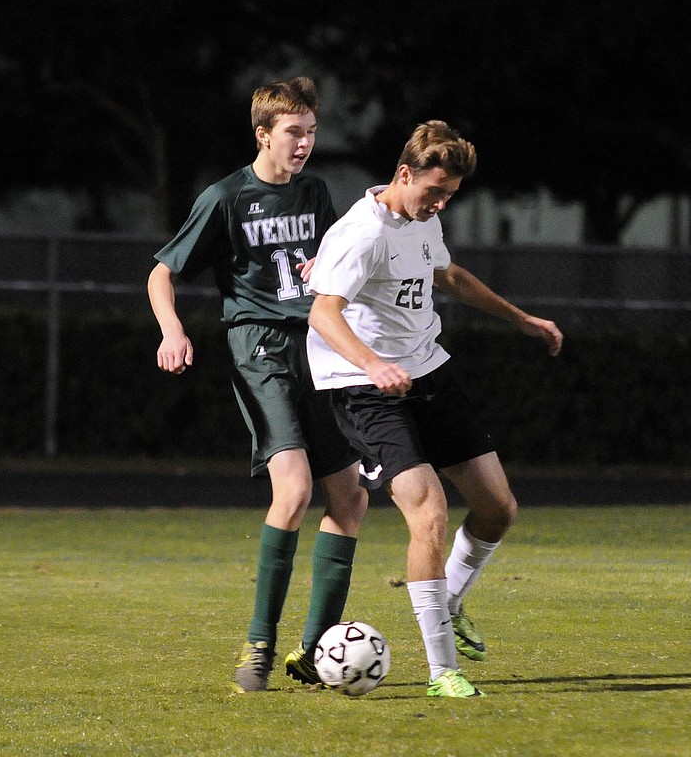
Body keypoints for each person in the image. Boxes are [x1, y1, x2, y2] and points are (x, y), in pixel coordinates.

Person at [306, 120, 563, 698]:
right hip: (363, 385)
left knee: (498, 507)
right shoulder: (361, 234)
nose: (441, 203)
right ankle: (443, 669)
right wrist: (372, 364)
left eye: (449, 195)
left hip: (426, 370)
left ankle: (446, 599)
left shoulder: (424, 218)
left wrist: (521, 319)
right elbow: (323, 313)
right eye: (434, 192)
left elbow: (447, 274)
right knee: (429, 513)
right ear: (403, 174)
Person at [147, 77, 367, 693]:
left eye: (312, 132)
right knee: (294, 489)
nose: (305, 143)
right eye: (294, 132)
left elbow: (331, 264)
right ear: (263, 133)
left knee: (349, 499)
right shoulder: (226, 197)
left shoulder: (316, 192)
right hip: (261, 350)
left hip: (320, 353)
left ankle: (315, 651)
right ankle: (259, 642)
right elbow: (162, 273)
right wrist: (171, 331)